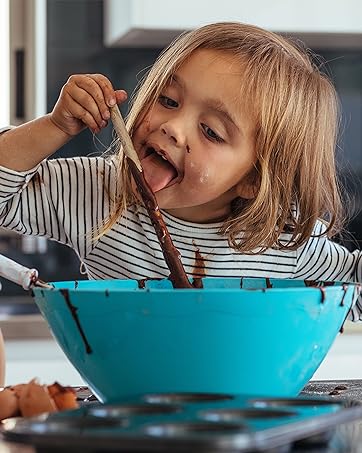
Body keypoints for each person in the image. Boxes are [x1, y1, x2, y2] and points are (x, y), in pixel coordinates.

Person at [0, 22, 361, 320]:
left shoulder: (282, 240)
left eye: (211, 131)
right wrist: (55, 127)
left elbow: (354, 288)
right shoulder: (99, 194)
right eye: (168, 100)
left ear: (253, 179)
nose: (174, 126)